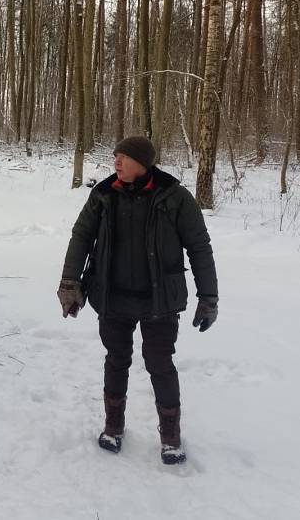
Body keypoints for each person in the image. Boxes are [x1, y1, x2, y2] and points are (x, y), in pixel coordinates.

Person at [58, 136, 219, 465]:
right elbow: (81, 236)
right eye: (115, 156)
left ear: (143, 163)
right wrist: (70, 282)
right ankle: (113, 426)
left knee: (160, 363)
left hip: (159, 301)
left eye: (124, 157)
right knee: (116, 360)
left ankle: (171, 436)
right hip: (112, 296)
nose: (116, 162)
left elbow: (199, 247)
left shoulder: (175, 197)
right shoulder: (103, 194)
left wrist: (208, 297)